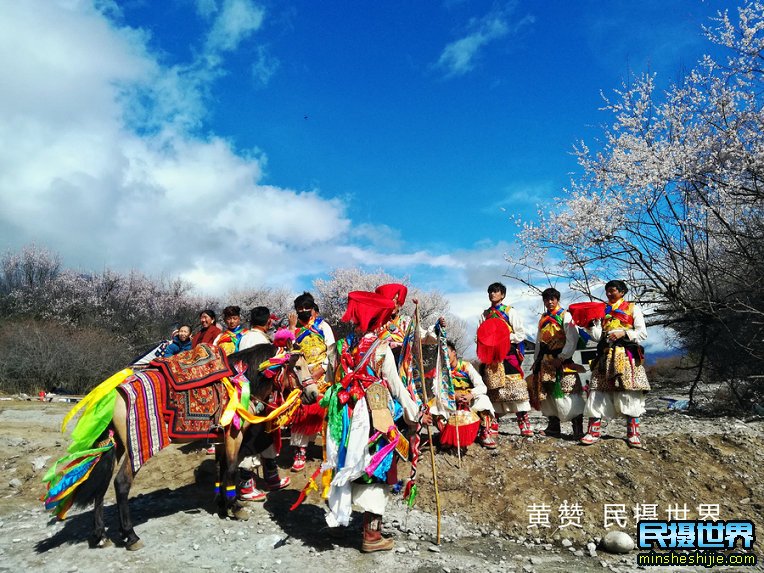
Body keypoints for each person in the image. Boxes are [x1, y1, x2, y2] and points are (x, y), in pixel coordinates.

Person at [323, 291, 422, 552]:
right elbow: (396, 386)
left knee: (347, 459)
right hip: (374, 415)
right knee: (376, 466)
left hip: (344, 415)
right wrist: (414, 413)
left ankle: (342, 515)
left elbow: (331, 380)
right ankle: (371, 535)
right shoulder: (380, 349)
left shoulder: (339, 347)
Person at [580, 280, 650, 448]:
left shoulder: (633, 308)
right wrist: (590, 327)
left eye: (612, 290)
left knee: (629, 391)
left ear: (622, 291)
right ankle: (593, 431)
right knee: (597, 390)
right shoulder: (602, 311)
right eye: (607, 291)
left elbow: (642, 333)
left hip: (626, 356)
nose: (609, 294)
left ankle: (633, 433)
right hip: (605, 356)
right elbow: (598, 336)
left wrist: (623, 333)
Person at [235, 306, 291, 501]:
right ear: (268, 323)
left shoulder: (244, 337)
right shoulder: (263, 343)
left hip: (245, 392)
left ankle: (271, 477)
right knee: (254, 436)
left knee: (265, 434)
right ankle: (246, 484)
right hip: (258, 396)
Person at [287, 292, 336, 471]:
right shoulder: (295, 329)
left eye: (306, 308)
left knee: (326, 414)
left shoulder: (323, 326)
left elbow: (331, 351)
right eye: (299, 309)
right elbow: (288, 350)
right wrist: (292, 328)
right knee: (301, 413)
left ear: (313, 309)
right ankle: (299, 451)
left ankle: (329, 452)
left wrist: (322, 369)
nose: (303, 311)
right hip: (301, 377)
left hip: (323, 375)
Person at [477, 282, 531, 438]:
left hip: (508, 353)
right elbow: (480, 334)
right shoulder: (485, 314)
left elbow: (520, 334)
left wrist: (503, 338)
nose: (492, 294)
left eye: (496, 291)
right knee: (494, 389)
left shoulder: (509, 311)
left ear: (503, 295)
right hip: (492, 356)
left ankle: (524, 421)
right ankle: (494, 423)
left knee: (516, 387)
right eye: (490, 292)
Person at [531, 288, 585, 439]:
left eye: (552, 299)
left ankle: (578, 428)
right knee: (548, 394)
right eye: (547, 299)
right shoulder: (543, 318)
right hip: (545, 360)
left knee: (568, 392)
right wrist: (536, 360)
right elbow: (538, 341)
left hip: (562, 361)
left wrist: (562, 357)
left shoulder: (565, 315)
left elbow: (572, 338)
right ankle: (554, 427)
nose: (549, 302)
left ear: (557, 299)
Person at [431, 340, 497, 449]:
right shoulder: (440, 372)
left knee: (483, 400)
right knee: (434, 405)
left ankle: (485, 433)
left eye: (446, 353)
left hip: (468, 402)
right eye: (441, 354)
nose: (445, 357)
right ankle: (447, 435)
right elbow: (435, 389)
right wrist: (452, 395)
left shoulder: (466, 366)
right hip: (451, 402)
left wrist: (471, 395)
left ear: (454, 352)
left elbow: (482, 387)